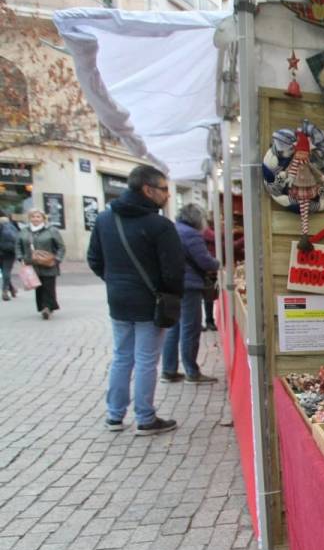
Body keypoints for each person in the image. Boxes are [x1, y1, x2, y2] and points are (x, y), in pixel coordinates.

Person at [87, 165, 184, 436]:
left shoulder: (105, 219)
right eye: (164, 189)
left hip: (119, 300)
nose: (167, 194)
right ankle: (145, 417)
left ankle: (114, 415)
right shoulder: (159, 225)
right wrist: (168, 294)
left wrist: (116, 282)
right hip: (150, 303)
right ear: (148, 190)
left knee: (122, 357)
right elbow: (173, 270)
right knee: (144, 359)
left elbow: (94, 260)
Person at [161, 205, 219, 384]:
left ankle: (168, 370)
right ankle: (192, 372)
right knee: (190, 329)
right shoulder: (192, 234)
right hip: (189, 286)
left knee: (174, 328)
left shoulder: (173, 229)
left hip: (173, 284)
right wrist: (217, 263)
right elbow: (204, 261)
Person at [19, 209, 65, 319]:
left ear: (43, 218)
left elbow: (61, 247)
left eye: (38, 217)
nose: (35, 219)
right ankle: (43, 307)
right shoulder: (24, 231)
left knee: (48, 286)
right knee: (38, 287)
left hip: (49, 263)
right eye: (33, 217)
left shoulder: (51, 230)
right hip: (32, 263)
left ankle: (47, 307)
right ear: (29, 218)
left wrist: (57, 259)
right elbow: (18, 245)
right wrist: (20, 257)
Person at [0, 210, 18, 300]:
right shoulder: (10, 224)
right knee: (6, 270)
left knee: (4, 271)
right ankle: (9, 289)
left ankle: (7, 290)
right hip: (9, 251)